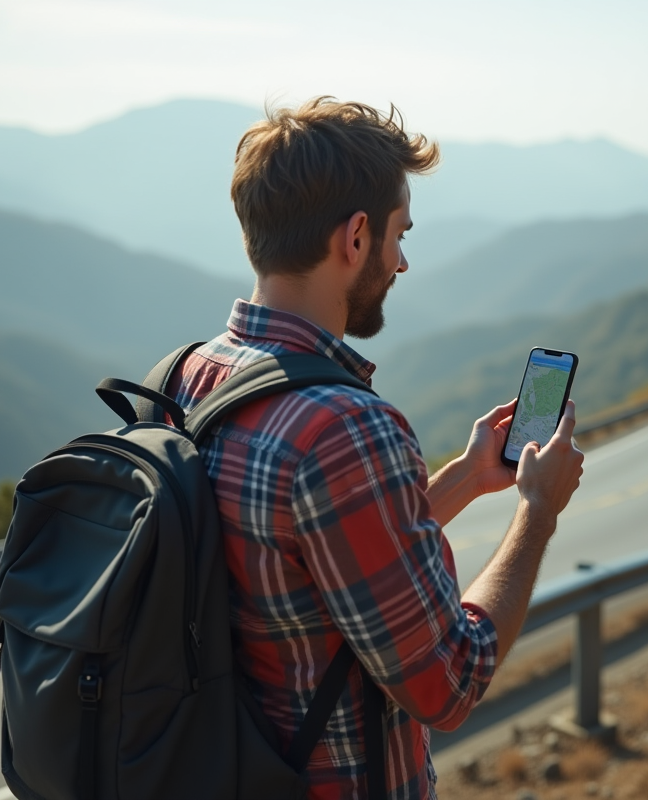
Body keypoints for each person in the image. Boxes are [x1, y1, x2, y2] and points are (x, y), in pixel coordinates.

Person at [164, 97, 585, 799]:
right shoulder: (344, 428)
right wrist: (536, 513)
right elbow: (451, 682)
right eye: (399, 234)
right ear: (355, 237)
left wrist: (460, 481)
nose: (403, 261)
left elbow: (302, 560)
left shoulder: (190, 376)